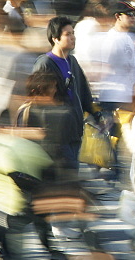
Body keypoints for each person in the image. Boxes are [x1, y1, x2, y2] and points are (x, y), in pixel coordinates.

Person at [32, 17, 95, 170]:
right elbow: (38, 98)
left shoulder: (72, 61)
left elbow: (84, 92)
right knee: (68, 173)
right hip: (56, 133)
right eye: (68, 34)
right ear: (55, 39)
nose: (73, 37)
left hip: (74, 129)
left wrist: (95, 114)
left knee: (72, 171)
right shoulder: (45, 64)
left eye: (73, 33)